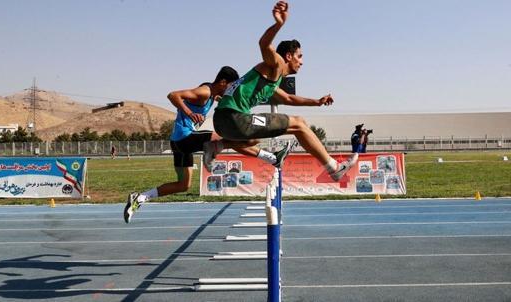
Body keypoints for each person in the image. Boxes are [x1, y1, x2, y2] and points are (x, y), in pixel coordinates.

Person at [207, 1, 358, 181]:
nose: (302, 62)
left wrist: (317, 102)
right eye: (299, 56)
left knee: (254, 140)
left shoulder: (271, 81)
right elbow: (264, 44)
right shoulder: (276, 64)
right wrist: (279, 23)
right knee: (299, 123)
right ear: (288, 56)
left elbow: (289, 99)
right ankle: (334, 167)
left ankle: (216, 146)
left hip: (224, 122)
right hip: (235, 119)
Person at [123, 66, 293, 223]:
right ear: (223, 82)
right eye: (230, 87)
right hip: (185, 137)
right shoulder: (204, 92)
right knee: (230, 138)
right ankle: (271, 157)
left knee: (183, 185)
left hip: (178, 143)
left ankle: (140, 198)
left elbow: (222, 98)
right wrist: (190, 113)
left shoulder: (212, 94)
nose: (231, 90)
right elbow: (173, 95)